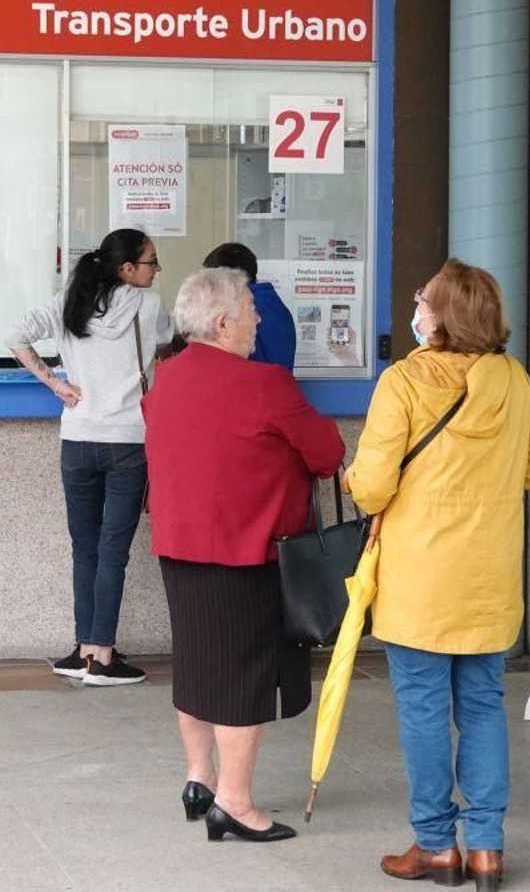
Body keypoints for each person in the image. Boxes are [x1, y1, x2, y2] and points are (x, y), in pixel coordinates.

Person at [345, 259, 530, 890]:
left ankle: (436, 846)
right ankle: (487, 848)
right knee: (484, 706)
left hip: (421, 580)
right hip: (488, 579)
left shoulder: (403, 382)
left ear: (441, 316)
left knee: (426, 710)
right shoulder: (514, 381)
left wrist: (354, 481)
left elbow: (373, 486)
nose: (417, 308)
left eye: (423, 299)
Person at [142, 268, 345, 843]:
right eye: (252, 309)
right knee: (245, 675)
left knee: (199, 660)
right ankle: (233, 803)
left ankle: (199, 778)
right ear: (223, 322)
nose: (259, 319)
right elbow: (327, 453)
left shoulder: (167, 380)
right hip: (247, 551)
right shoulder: (265, 384)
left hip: (179, 547)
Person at [5, 229, 171, 687]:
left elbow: (15, 335)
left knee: (85, 547)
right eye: (152, 261)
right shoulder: (149, 304)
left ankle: (82, 650)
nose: (157, 270)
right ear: (127, 269)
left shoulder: (69, 301)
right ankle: (103, 654)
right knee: (112, 551)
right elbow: (169, 341)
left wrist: (56, 384)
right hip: (128, 442)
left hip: (77, 439)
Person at [201, 242, 296, 371]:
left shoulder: (240, 308)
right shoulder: (277, 307)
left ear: (227, 277)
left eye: (211, 280)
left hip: (252, 387)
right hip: (278, 386)